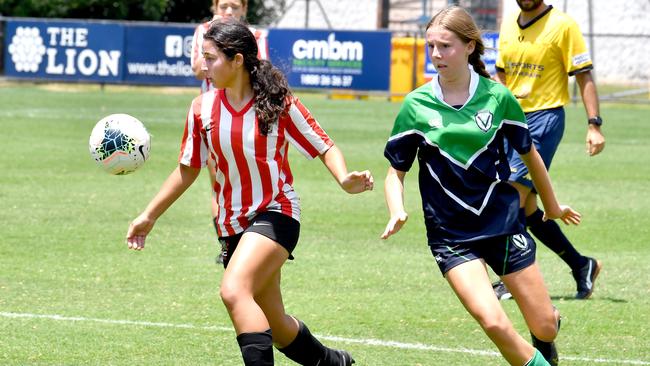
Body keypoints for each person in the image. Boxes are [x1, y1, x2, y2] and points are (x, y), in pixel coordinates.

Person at [127, 19, 370, 366]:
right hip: (232, 227)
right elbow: (187, 169)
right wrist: (148, 215)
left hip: (276, 212)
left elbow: (324, 145)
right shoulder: (201, 109)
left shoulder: (278, 103)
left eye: (211, 58)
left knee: (234, 290)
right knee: (277, 325)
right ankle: (333, 362)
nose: (204, 66)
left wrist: (345, 179)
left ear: (237, 60)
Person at [381, 6, 581, 365]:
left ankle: (547, 326)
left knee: (546, 327)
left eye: (445, 46)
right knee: (493, 321)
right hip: (450, 235)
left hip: (502, 225)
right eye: (431, 47)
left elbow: (530, 154)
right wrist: (397, 208)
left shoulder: (498, 97)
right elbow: (396, 171)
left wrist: (551, 206)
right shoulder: (415, 105)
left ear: (470, 46)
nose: (436, 55)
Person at [491, 0, 605, 301]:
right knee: (527, 210)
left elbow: (583, 74)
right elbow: (501, 75)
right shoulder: (508, 22)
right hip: (510, 118)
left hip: (543, 119)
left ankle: (514, 278)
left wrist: (594, 124)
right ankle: (582, 265)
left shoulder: (563, 25)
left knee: (510, 200)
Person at [190, 0, 269, 264]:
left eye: (234, 7)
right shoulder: (204, 31)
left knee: (252, 185)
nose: (229, 12)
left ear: (244, 9)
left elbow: (261, 70)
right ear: (214, 7)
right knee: (219, 187)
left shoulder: (256, 36)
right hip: (213, 121)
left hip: (249, 122)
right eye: (224, 6)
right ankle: (227, 245)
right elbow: (197, 70)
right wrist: (214, 41)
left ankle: (254, 240)